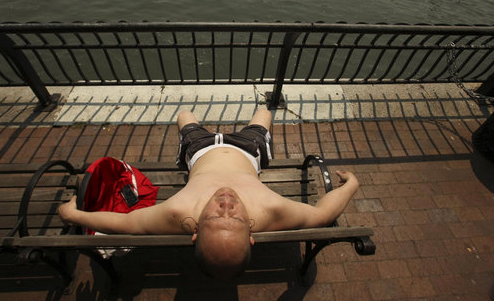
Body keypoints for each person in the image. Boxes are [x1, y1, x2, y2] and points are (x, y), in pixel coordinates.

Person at [59, 109, 359, 280]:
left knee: (183, 115)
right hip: (247, 150)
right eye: (235, 217)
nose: (226, 202)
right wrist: (352, 185)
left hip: (199, 149)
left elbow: (125, 224)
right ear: (251, 233)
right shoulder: (271, 210)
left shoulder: (178, 214)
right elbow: (323, 214)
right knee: (264, 111)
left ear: (195, 232)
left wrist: (75, 215)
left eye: (216, 214)